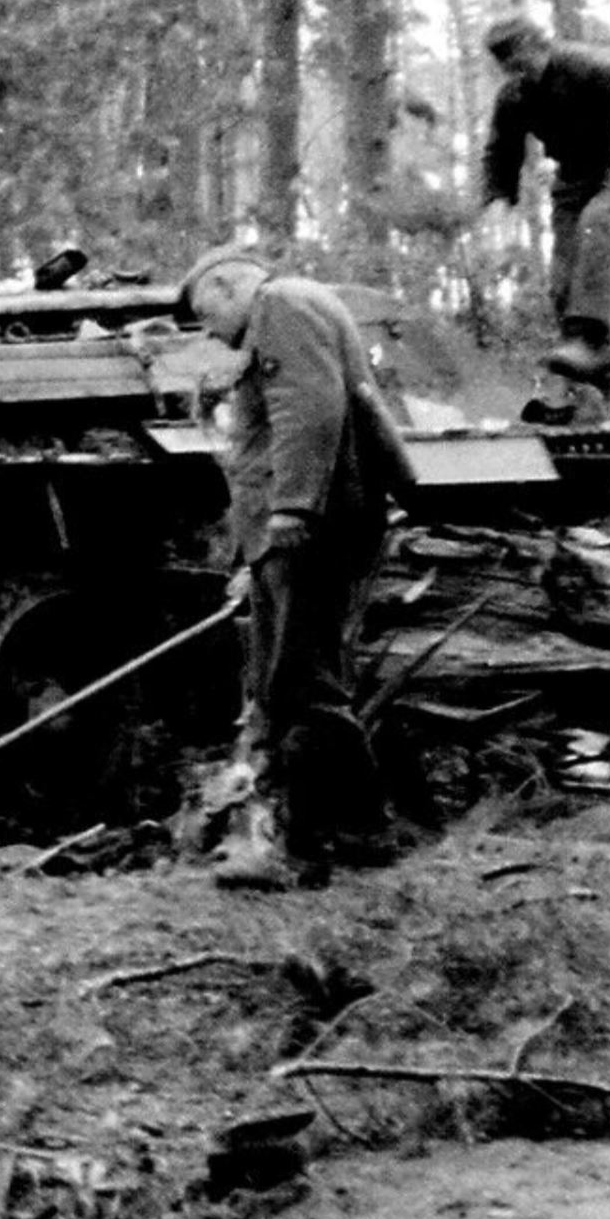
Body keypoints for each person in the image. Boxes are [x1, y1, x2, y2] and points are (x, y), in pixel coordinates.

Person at [179, 246, 411, 889]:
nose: (209, 332)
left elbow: (310, 409)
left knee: (299, 687)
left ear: (229, 285)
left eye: (207, 314)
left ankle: (305, 847)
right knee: (305, 683)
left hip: (306, 529)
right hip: (298, 530)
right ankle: (360, 832)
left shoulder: (280, 305)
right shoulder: (298, 306)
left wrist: (293, 509)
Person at [480, 13, 610, 404]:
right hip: (574, 174)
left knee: (599, 221)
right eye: (510, 68)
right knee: (563, 276)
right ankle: (598, 379)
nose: (518, 73)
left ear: (536, 45)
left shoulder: (594, 68)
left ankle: (589, 341)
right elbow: (501, 152)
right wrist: (499, 200)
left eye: (521, 62)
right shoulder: (515, 95)